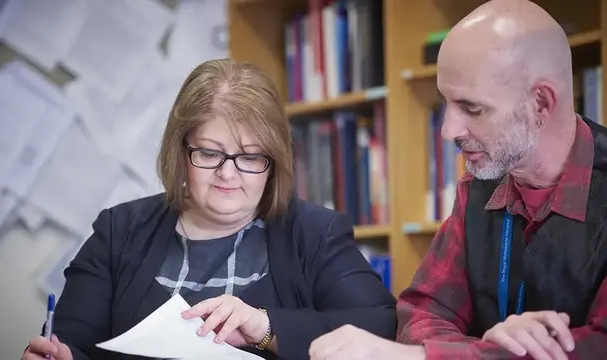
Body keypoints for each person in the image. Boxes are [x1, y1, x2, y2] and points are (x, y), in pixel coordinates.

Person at [21, 59, 397, 360]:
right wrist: (60, 354)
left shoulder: (315, 233)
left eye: (250, 156)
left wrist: (266, 329)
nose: (227, 173)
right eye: (210, 152)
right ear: (180, 151)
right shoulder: (120, 230)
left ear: (276, 159)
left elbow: (380, 327)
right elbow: (74, 342)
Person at [308, 0, 607, 359]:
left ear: (541, 103)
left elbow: (597, 347)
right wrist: (488, 350)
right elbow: (420, 315)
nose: (448, 131)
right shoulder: (478, 187)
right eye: (446, 103)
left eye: (472, 108)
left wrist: (429, 357)